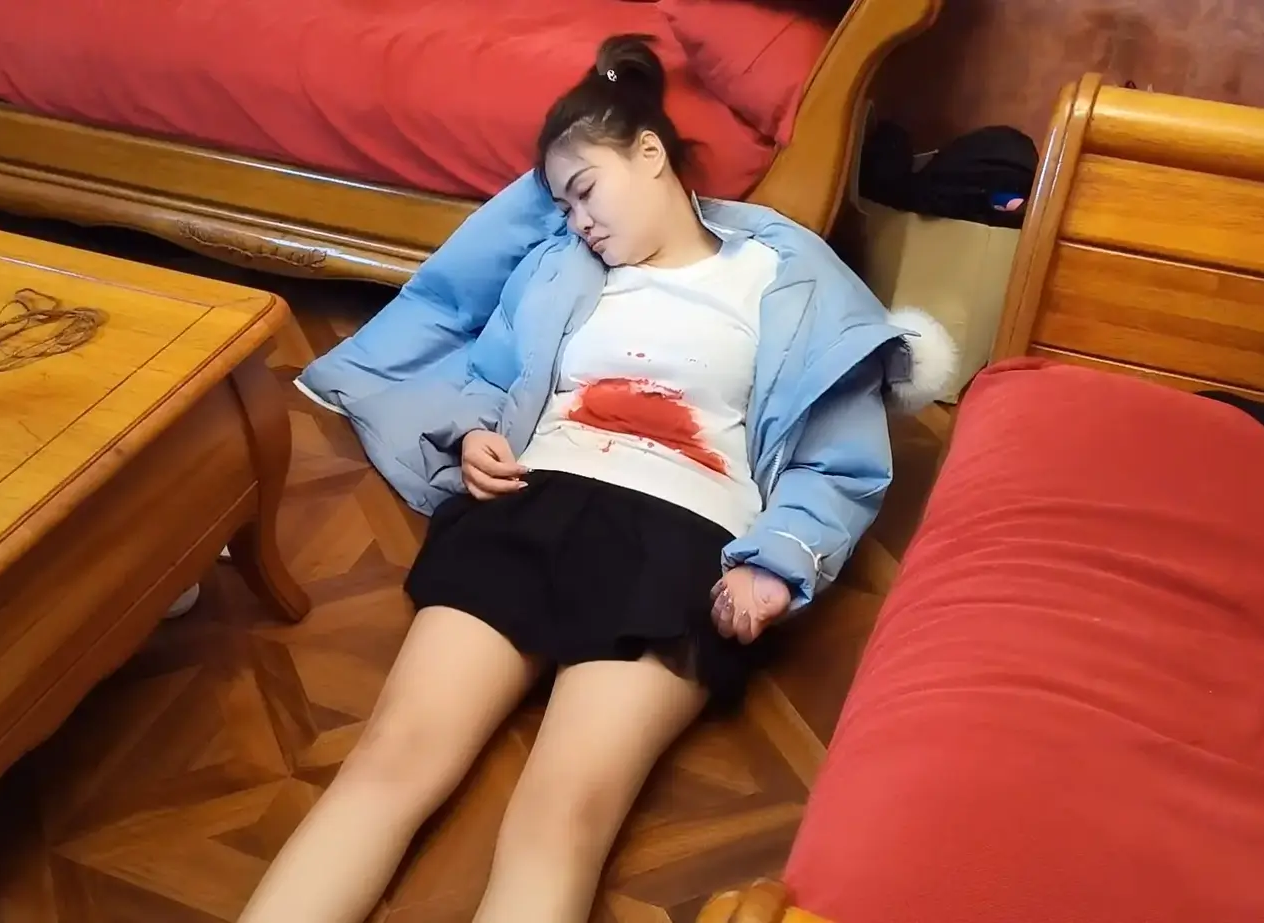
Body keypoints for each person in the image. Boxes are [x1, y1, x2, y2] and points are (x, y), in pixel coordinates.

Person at [242, 32, 944, 923]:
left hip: (682, 538)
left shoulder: (788, 278)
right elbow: (489, 371)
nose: (578, 221)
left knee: (561, 815)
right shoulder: (562, 270)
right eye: (562, 206)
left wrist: (776, 563)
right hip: (530, 504)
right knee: (390, 759)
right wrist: (474, 436)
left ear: (651, 153)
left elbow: (835, 463)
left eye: (585, 190)